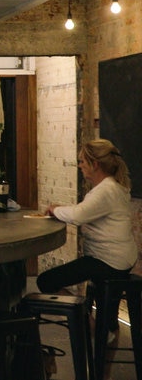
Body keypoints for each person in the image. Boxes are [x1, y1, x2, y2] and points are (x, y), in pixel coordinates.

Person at [36, 139, 136, 340]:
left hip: (107, 261)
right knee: (109, 321)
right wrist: (62, 210)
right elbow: (83, 211)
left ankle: (85, 319)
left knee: (46, 280)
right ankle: (104, 369)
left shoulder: (106, 190)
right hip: (121, 260)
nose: (80, 165)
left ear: (94, 164)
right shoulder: (113, 187)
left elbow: (78, 215)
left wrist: (54, 209)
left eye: (82, 161)